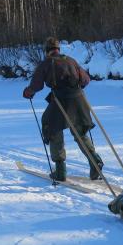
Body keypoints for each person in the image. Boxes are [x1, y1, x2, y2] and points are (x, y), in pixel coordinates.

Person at [22, 37, 103, 182]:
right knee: (80, 131)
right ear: (58, 49)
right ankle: (95, 161)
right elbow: (85, 80)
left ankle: (60, 170)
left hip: (61, 100)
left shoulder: (46, 63)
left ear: (47, 51)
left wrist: (28, 92)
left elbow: (37, 85)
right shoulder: (71, 60)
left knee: (51, 126)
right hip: (79, 99)